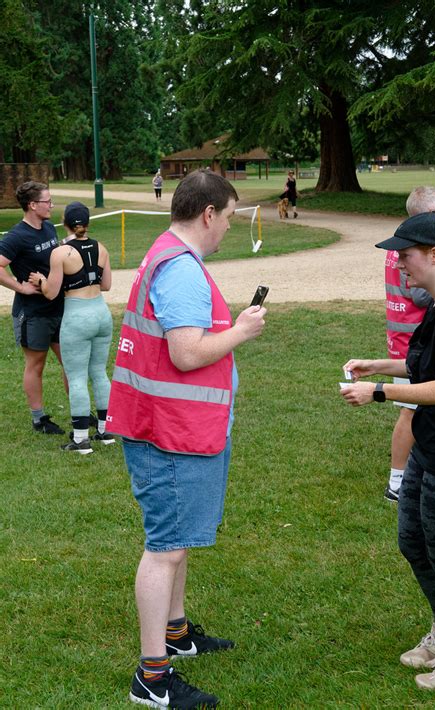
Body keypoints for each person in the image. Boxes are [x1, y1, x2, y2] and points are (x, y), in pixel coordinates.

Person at [106, 169, 267, 708]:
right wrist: (241, 331)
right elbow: (185, 352)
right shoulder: (181, 271)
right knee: (165, 550)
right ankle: (152, 676)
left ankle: (177, 635)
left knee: (177, 545)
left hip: (172, 427)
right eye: (227, 216)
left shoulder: (166, 253)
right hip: (168, 433)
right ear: (208, 214)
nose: (227, 227)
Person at [341, 211, 435, 696]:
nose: (398, 263)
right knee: (414, 541)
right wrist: (377, 363)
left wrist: (380, 392)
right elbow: (425, 365)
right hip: (429, 448)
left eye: (405, 254)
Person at [29, 202, 113, 454]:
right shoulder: (102, 247)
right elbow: (106, 284)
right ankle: (105, 430)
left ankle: (80, 439)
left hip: (77, 315)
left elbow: (51, 293)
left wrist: (41, 280)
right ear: (87, 222)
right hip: (101, 313)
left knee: (76, 376)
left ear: (65, 222)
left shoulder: (60, 252)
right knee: (99, 373)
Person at [383, 186, 435, 502]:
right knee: (409, 411)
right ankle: (396, 480)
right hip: (411, 343)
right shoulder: (413, 248)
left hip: (405, 341)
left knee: (415, 409)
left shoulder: (401, 244)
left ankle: (412, 473)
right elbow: (421, 294)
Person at [0, 181, 65, 434]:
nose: (51, 205)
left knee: (68, 361)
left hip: (59, 308)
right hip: (34, 313)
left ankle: (81, 414)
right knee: (35, 365)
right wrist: (21, 287)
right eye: (47, 201)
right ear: (32, 205)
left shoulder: (49, 228)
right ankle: (39, 419)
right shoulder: (16, 236)